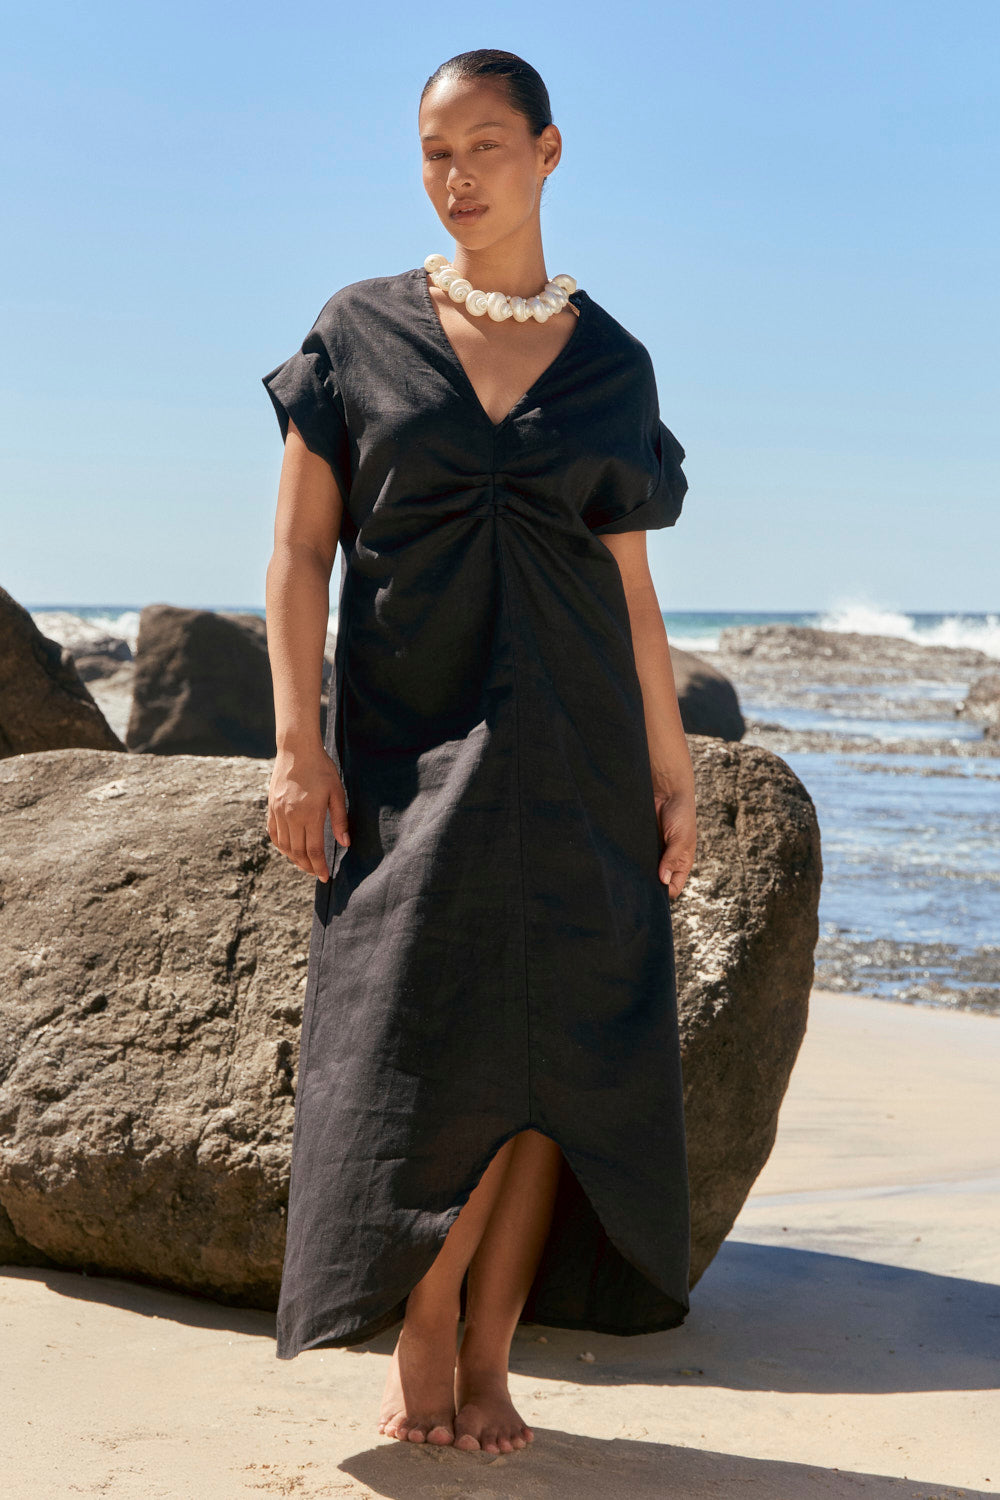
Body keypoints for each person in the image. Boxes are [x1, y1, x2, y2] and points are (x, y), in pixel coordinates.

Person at [262, 49, 697, 1457]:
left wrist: (673, 768)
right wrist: (297, 747)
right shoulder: (360, 330)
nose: (457, 178)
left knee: (560, 1057)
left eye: (486, 147)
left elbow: (632, 592)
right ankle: (423, 1319)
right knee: (412, 1031)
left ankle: (492, 1350)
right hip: (407, 743)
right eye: (435, 153)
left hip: (579, 745)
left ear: (548, 153)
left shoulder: (613, 363)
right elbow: (299, 553)